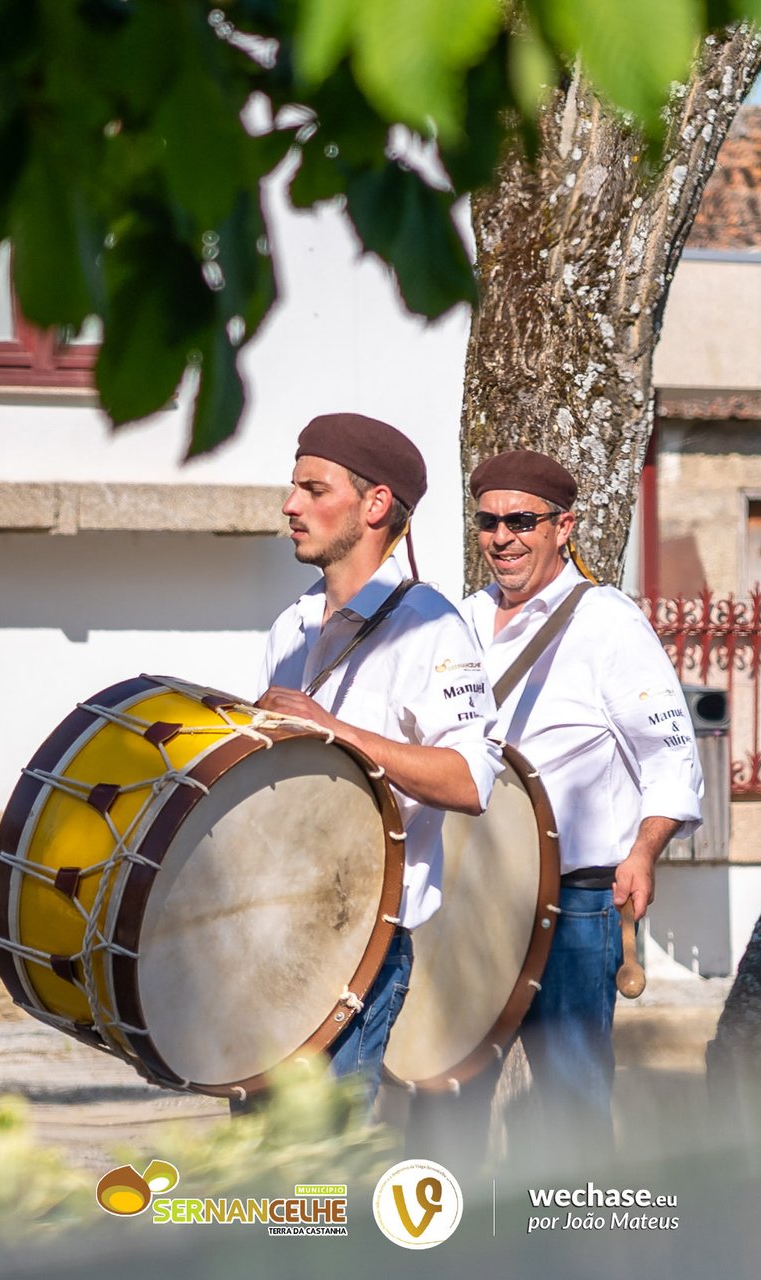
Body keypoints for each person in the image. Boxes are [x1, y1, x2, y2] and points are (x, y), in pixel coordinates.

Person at [458, 448, 704, 1157]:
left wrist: (646, 850)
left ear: (563, 527)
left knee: (569, 1102)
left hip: (575, 902)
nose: (502, 537)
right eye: (488, 521)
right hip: (474, 899)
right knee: (451, 1094)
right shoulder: (462, 623)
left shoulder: (607, 622)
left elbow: (669, 752)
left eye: (522, 521)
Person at [255, 412, 501, 1107]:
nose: (290, 505)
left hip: (360, 939)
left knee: (323, 1176)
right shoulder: (291, 625)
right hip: (270, 929)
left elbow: (469, 778)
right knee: (271, 1166)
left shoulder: (431, 625)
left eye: (313, 488)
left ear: (375, 504)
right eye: (293, 486)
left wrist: (336, 733)